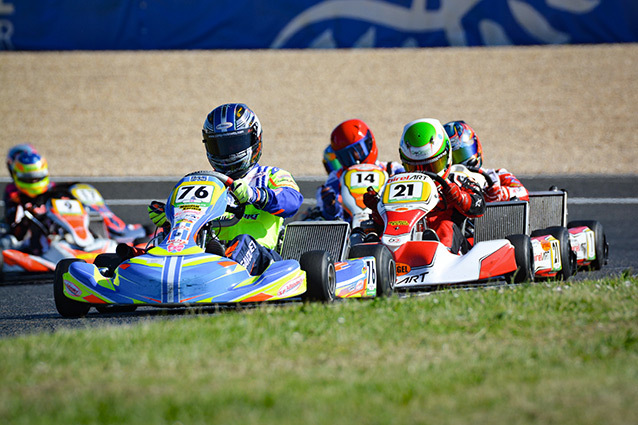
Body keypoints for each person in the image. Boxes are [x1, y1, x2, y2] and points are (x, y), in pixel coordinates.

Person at [149, 103, 303, 275]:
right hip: (208, 253)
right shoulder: (206, 183)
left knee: (242, 242)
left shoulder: (271, 175)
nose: (227, 152)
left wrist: (255, 195)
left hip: (262, 258)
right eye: (219, 146)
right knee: (160, 242)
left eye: (235, 144)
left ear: (254, 140)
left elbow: (292, 202)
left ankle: (223, 264)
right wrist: (172, 216)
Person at [365, 118, 485, 254]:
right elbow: (385, 223)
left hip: (450, 249)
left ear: (446, 156)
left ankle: (439, 253)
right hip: (404, 240)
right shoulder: (398, 183)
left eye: (431, 166)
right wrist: (377, 208)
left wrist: (459, 197)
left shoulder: (457, 178)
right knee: (368, 233)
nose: (423, 173)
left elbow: (479, 206)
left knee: (445, 227)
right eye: (415, 167)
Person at [317, 119, 404, 221]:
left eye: (358, 150)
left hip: (388, 225)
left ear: (369, 142)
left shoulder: (393, 169)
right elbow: (329, 219)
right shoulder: (336, 178)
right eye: (346, 155)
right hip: (350, 231)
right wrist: (331, 208)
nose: (355, 158)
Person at [444, 120, 529, 202]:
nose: (460, 163)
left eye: (462, 154)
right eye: (453, 158)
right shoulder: (445, 185)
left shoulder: (497, 176)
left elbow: (523, 193)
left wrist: (501, 193)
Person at [1, 150, 55, 254]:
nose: (34, 181)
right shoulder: (14, 193)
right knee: (5, 241)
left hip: (53, 231)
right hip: (26, 236)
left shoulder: (53, 190)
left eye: (37, 176)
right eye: (30, 178)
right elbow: (15, 226)